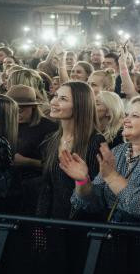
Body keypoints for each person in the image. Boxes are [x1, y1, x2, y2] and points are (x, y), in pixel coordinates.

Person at [63, 94, 140, 223]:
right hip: (111, 236)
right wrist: (82, 181)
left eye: (135, 116)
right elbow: (93, 203)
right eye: (126, 115)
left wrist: (112, 177)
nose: (125, 120)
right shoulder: (119, 151)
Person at [36, 82, 105, 219]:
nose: (54, 102)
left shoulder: (95, 141)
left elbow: (97, 197)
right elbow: (47, 187)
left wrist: (82, 180)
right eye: (55, 96)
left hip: (78, 224)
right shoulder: (50, 139)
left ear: (80, 106)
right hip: (49, 220)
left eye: (63, 99)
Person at [7, 84, 57, 185]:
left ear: (33, 106)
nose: (17, 114)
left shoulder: (49, 128)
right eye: (12, 110)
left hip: (35, 183)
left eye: (21, 110)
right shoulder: (4, 124)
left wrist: (27, 162)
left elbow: (55, 165)